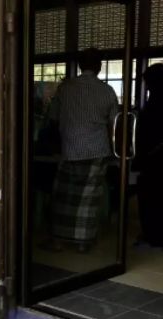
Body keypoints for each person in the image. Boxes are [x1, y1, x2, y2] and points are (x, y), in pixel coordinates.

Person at [45, 48, 119, 252]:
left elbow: (52, 118)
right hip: (97, 149)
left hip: (70, 148)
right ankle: (82, 243)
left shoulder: (65, 88)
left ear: (79, 65)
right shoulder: (107, 91)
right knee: (88, 199)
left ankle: (58, 240)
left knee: (64, 197)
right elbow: (115, 124)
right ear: (99, 66)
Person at [134, 63, 163, 249]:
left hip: (154, 159)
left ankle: (153, 238)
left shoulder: (156, 103)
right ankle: (162, 234)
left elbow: (149, 133)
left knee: (151, 199)